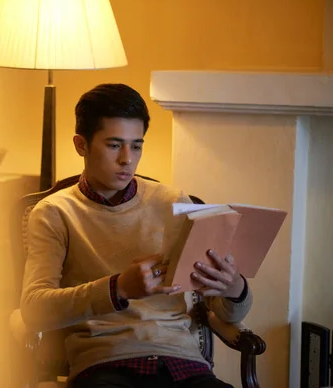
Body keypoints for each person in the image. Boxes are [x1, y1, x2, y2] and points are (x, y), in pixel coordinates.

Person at [20, 83, 252, 388]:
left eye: (137, 145)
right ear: (81, 145)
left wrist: (234, 287)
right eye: (114, 145)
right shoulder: (54, 212)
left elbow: (225, 313)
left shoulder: (174, 202)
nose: (127, 159)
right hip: (105, 364)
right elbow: (35, 309)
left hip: (184, 364)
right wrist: (117, 289)